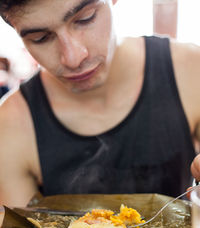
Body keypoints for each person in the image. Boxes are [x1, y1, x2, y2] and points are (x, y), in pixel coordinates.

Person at [0, 0, 200, 207]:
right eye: (40, 38)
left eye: (85, 19)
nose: (73, 58)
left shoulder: (191, 69)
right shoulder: (9, 125)